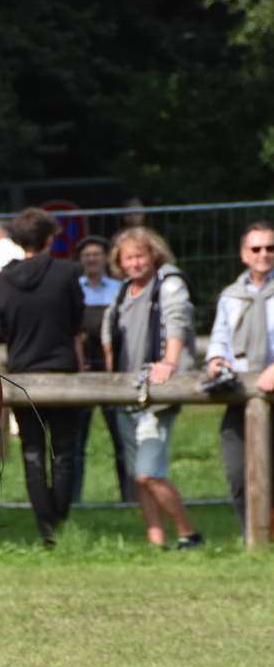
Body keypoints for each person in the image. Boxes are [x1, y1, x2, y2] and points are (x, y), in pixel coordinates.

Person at [101, 226, 202, 550]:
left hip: (157, 393)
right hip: (127, 392)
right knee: (139, 476)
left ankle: (189, 534)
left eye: (140, 256)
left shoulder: (169, 284)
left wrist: (169, 362)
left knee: (148, 473)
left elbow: (177, 321)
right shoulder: (122, 292)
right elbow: (108, 333)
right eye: (128, 257)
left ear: (154, 255)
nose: (134, 263)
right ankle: (156, 542)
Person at [0, 208, 86, 546]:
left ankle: (47, 531)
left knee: (32, 452)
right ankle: (58, 523)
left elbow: (4, 325)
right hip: (63, 371)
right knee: (64, 450)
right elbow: (77, 321)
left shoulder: (3, 279)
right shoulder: (67, 272)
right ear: (50, 238)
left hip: (23, 373)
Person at [204, 219, 274, 530]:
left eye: (270, 248)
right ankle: (253, 535)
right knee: (237, 470)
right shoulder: (230, 296)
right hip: (240, 393)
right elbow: (220, 336)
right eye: (256, 249)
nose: (264, 254)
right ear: (244, 254)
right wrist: (216, 360)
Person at [74, 236, 129, 502]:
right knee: (78, 438)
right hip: (82, 367)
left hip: (112, 368)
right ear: (80, 259)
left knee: (120, 435)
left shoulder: (119, 289)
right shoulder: (75, 288)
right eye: (87, 255)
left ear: (106, 258)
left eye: (96, 254)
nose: (92, 259)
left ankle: (128, 494)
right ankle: (74, 497)